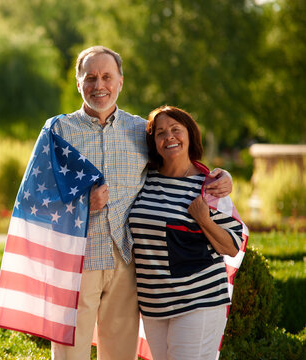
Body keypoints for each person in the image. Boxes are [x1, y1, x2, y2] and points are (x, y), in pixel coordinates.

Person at [50, 46, 232, 360]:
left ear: (120, 81)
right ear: (78, 83)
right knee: (69, 355)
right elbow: (37, 200)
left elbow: (177, 162)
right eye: (90, 77)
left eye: (107, 76)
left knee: (121, 355)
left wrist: (222, 177)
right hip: (79, 262)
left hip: (127, 266)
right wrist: (82, 204)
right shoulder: (58, 131)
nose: (99, 85)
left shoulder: (140, 131)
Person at [128, 106, 245, 360]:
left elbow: (233, 246)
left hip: (198, 303)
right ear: (154, 142)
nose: (168, 136)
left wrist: (204, 220)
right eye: (160, 133)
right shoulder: (143, 179)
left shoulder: (209, 185)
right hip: (153, 306)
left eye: (175, 130)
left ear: (189, 135)